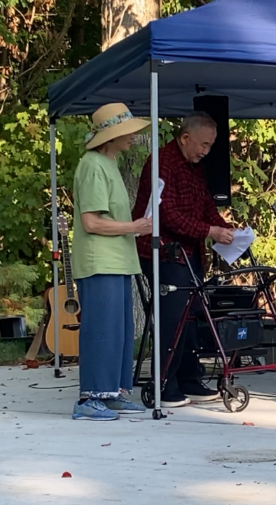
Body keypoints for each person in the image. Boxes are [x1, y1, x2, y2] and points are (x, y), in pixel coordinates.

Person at [131, 112, 237, 408]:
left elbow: (205, 205)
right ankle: (164, 381)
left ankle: (190, 377)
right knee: (173, 316)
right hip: (164, 251)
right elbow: (168, 214)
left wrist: (223, 229)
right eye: (202, 144)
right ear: (186, 137)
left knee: (192, 316)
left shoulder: (195, 167)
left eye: (210, 145)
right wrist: (209, 230)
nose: (206, 151)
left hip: (191, 253)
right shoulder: (161, 162)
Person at [71, 103, 152, 420]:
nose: (133, 136)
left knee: (120, 330)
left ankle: (112, 392)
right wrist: (135, 226)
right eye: (127, 131)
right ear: (110, 135)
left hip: (118, 260)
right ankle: (89, 397)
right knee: (101, 330)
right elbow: (91, 222)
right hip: (99, 261)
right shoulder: (92, 165)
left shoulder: (109, 163)